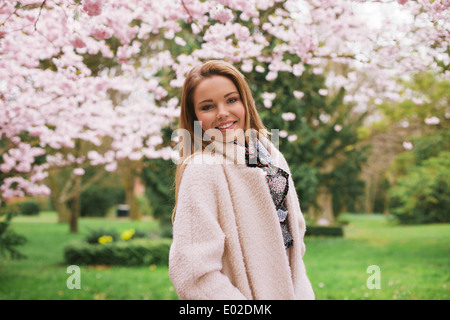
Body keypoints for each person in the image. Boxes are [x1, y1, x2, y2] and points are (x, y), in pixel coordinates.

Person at [169, 60, 315, 300]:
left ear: (245, 102)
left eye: (231, 100)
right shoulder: (203, 169)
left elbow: (294, 238)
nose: (222, 112)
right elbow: (193, 274)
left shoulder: (272, 158)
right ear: (194, 116)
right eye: (207, 107)